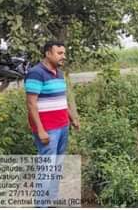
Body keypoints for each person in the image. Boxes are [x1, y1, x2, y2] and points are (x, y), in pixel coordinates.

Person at [25, 41, 80, 207]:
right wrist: (40, 130)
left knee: (57, 166)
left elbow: (61, 100)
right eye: (59, 53)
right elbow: (31, 104)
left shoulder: (59, 73)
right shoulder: (36, 73)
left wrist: (72, 118)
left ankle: (52, 201)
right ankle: (41, 205)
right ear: (48, 53)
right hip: (48, 130)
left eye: (64, 53)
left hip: (63, 127)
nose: (63, 56)